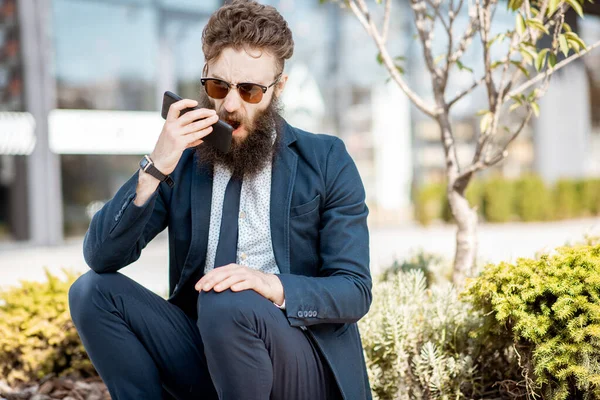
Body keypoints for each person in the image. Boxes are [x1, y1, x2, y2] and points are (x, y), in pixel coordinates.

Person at [68, 1, 372, 399]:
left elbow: (353, 289)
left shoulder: (326, 159)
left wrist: (268, 284)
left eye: (249, 90)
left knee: (226, 300)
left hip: (298, 361)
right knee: (92, 292)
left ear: (279, 88)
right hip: (211, 351)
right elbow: (102, 257)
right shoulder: (185, 161)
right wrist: (156, 166)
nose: (230, 105)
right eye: (218, 87)